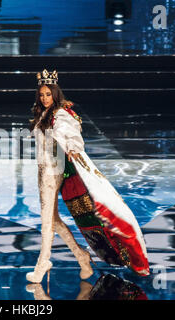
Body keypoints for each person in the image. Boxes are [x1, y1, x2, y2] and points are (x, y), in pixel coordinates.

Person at [27, 69, 150, 284]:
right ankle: (82, 258)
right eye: (42, 94)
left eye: (48, 94)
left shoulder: (61, 115)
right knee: (53, 220)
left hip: (52, 173)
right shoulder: (44, 115)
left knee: (46, 221)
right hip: (43, 172)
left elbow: (72, 136)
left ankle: (43, 262)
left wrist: (73, 148)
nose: (45, 98)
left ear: (55, 94)